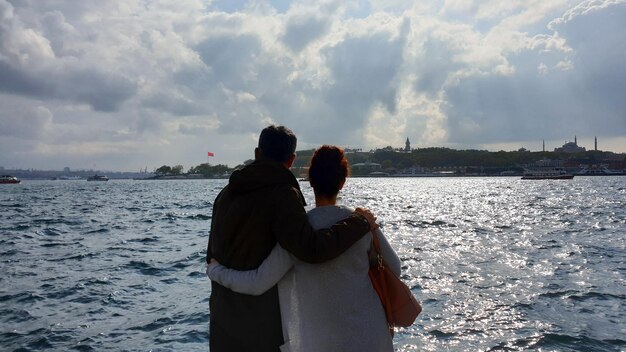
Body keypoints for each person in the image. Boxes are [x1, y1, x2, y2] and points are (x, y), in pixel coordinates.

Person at [208, 145, 401, 352]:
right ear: (342, 183)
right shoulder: (363, 222)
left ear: (310, 181)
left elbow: (257, 282)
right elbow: (395, 268)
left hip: (320, 342)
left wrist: (216, 271)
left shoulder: (298, 233)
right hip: (373, 336)